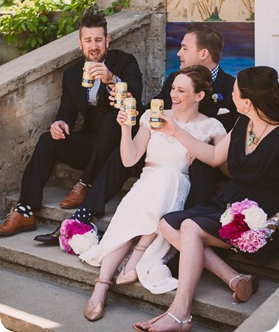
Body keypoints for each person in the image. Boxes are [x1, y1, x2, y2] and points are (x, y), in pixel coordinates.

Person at [36, 23, 238, 245]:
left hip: (198, 161)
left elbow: (230, 136)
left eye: (184, 48)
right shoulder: (174, 79)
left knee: (199, 166)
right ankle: (83, 216)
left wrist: (199, 146)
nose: (178, 53)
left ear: (203, 53)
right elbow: (153, 110)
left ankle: (183, 233)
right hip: (164, 148)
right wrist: (125, 106)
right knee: (120, 153)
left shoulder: (231, 88)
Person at [133, 65, 279, 332]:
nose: (230, 95)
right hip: (228, 203)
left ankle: (180, 314)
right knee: (168, 223)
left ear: (247, 102)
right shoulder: (242, 123)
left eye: (234, 93)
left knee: (189, 227)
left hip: (263, 216)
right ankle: (234, 278)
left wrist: (269, 225)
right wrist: (175, 131)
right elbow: (213, 157)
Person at [79, 66, 227, 322]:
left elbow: (224, 166)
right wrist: (126, 128)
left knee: (168, 176)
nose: (174, 95)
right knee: (131, 219)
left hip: (176, 189)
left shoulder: (211, 126)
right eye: (173, 88)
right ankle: (101, 287)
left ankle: (134, 258)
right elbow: (130, 159)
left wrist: (200, 150)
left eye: (181, 90)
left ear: (199, 96)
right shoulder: (152, 115)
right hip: (146, 185)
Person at [0, 13, 143, 237]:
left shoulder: (124, 62)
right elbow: (66, 112)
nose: (93, 46)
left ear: (107, 41)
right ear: (80, 43)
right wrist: (61, 123)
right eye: (88, 40)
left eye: (98, 40)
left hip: (120, 148)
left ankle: (85, 183)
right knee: (48, 139)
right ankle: (25, 210)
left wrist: (111, 79)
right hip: (92, 145)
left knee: (111, 119)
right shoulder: (72, 74)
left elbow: (136, 95)